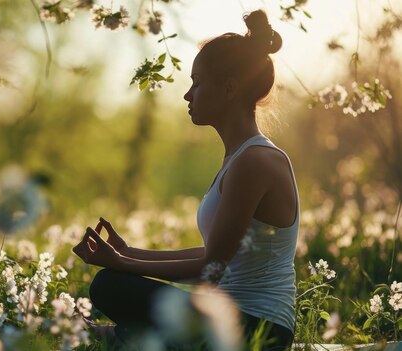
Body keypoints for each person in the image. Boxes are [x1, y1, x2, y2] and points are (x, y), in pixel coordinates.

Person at [72, 9, 299, 351]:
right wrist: (130, 252)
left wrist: (123, 264)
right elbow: (217, 253)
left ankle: (119, 338)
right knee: (112, 281)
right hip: (228, 318)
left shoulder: (256, 162)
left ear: (229, 88)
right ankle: (125, 338)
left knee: (110, 286)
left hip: (258, 331)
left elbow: (213, 267)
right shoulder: (240, 158)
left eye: (197, 82)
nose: (187, 95)